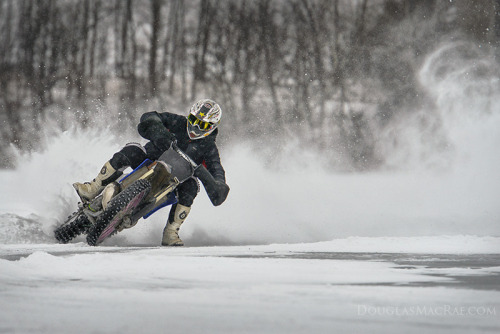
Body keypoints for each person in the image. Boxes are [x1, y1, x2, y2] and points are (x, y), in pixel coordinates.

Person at [73, 98, 229, 246]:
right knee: (132, 149)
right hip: (148, 161)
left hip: (172, 183)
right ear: (189, 116)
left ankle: (171, 232)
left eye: (203, 125)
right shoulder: (178, 123)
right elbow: (150, 116)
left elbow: (219, 188)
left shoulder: (210, 150)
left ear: (213, 127)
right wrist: (159, 131)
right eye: (194, 121)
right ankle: (93, 188)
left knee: (192, 185)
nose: (196, 127)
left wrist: (201, 172)